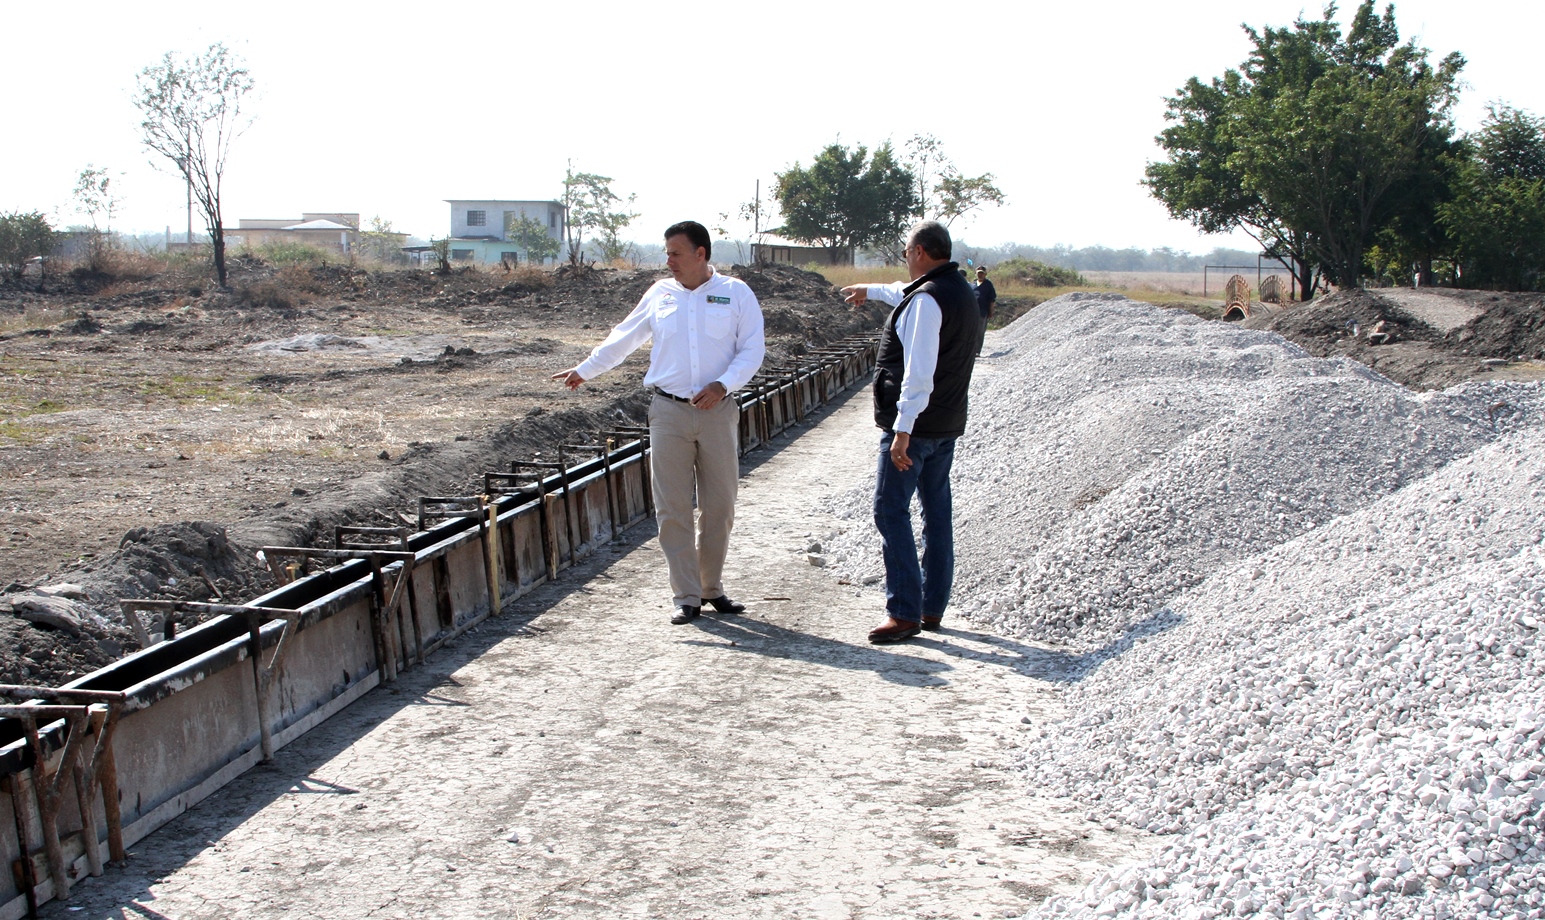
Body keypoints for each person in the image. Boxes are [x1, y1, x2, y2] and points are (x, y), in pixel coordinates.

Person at [552, 221, 766, 626]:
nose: (668, 261)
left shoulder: (736, 293)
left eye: (676, 253)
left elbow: (752, 349)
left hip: (717, 411)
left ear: (701, 253)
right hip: (668, 412)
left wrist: (723, 385)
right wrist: (585, 369)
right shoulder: (659, 294)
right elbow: (624, 337)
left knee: (720, 506)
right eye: (666, 253)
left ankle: (710, 588)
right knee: (673, 507)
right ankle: (685, 596)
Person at [841, 221, 980, 643]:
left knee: (890, 510)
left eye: (906, 252)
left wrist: (902, 430)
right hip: (946, 423)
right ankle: (931, 606)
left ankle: (904, 611)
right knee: (936, 513)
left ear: (920, 252)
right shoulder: (957, 291)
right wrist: (871, 288)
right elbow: (904, 291)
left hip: (916, 429)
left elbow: (918, 372)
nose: (906, 259)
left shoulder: (927, 302)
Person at [973, 265, 996, 356]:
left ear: (985, 274)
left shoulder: (988, 285)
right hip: (972, 312)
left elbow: (992, 300)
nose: (980, 275)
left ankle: (977, 350)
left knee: (980, 332)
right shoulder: (972, 284)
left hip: (982, 312)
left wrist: (990, 312)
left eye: (982, 273)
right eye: (979, 273)